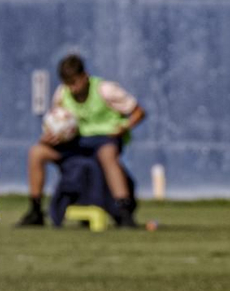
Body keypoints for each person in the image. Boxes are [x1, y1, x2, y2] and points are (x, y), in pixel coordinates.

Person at [17, 54, 145, 227]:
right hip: (76, 141)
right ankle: (35, 210)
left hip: (105, 138)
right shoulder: (62, 93)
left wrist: (125, 126)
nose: (73, 88)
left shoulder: (106, 90)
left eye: (75, 82)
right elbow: (56, 122)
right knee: (37, 152)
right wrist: (49, 136)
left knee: (108, 155)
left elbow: (138, 112)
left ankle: (124, 210)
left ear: (84, 76)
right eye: (69, 84)